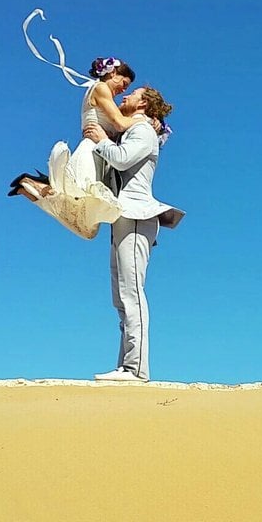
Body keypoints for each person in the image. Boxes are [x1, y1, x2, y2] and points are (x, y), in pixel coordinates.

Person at [7, 9, 153, 239]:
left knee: (87, 227)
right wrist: (145, 120)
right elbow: (120, 123)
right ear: (112, 72)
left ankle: (30, 187)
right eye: (124, 83)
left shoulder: (103, 93)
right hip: (90, 152)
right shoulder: (101, 88)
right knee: (86, 217)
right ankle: (33, 184)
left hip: (99, 154)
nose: (123, 89)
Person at [84, 87, 184, 382]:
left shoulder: (143, 130)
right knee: (121, 296)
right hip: (121, 217)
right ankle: (125, 366)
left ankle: (135, 369)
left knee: (132, 293)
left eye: (132, 95)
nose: (123, 97)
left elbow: (124, 159)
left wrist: (101, 141)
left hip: (137, 214)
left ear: (143, 103)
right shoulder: (133, 130)